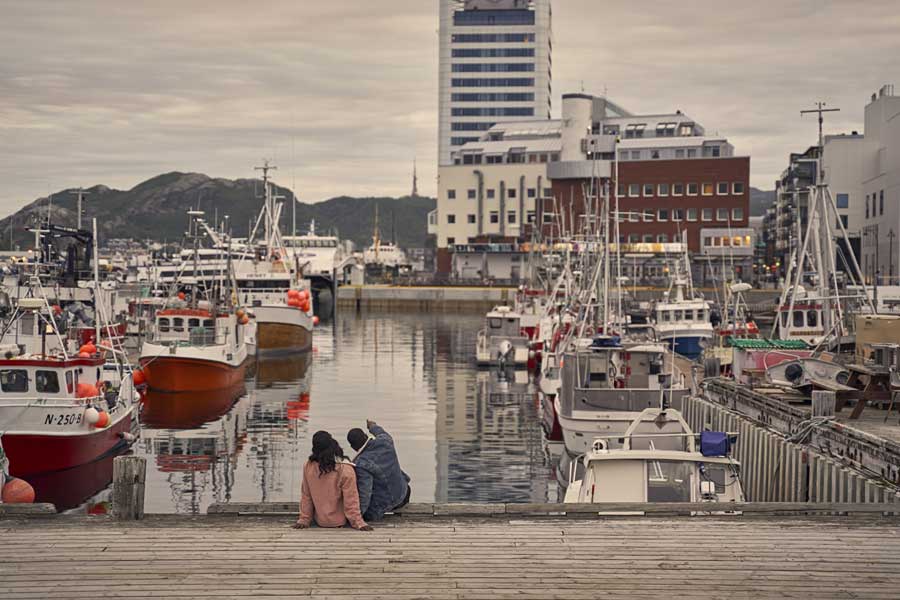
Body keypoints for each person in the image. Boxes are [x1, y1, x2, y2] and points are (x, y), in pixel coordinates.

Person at [293, 431, 372, 531]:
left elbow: (306, 496)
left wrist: (304, 520)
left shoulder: (308, 466)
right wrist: (359, 523)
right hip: (341, 521)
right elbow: (351, 500)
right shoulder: (345, 469)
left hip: (320, 520)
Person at [347, 420, 411, 522]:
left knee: (367, 513)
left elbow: (365, 494)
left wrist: (357, 517)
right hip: (404, 492)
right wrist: (372, 426)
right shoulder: (385, 441)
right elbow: (380, 432)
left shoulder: (362, 464)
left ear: (353, 447)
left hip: (388, 503)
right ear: (365, 436)